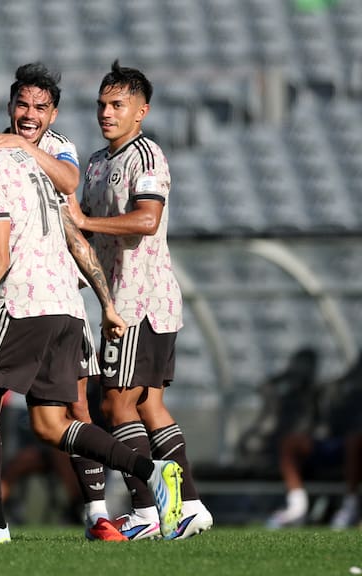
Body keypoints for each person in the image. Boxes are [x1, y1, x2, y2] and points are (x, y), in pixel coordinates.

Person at [0, 100, 183, 543]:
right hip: (65, 306)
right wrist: (102, 301)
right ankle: (152, 470)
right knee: (50, 424)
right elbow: (68, 231)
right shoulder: (25, 160)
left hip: (23, 304)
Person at [0, 63, 125, 541]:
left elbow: (67, 183)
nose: (29, 115)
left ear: (53, 113)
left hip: (39, 292)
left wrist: (105, 303)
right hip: (42, 293)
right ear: (9, 106)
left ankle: (97, 512)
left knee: (70, 408)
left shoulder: (51, 147)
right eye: (22, 105)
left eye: (40, 108)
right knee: (33, 416)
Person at [68, 60, 213, 540]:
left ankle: (146, 511)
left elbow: (147, 220)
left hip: (139, 298)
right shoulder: (94, 162)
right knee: (149, 405)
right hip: (126, 296)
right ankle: (190, 504)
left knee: (116, 404)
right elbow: (83, 222)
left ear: (141, 111)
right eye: (101, 105)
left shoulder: (147, 157)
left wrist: (86, 223)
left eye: (117, 104)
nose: (106, 113)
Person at [267, 352, 362, 529]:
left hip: (355, 447)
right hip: (334, 443)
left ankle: (351, 505)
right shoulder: (340, 389)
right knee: (290, 443)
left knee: (354, 441)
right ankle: (297, 505)